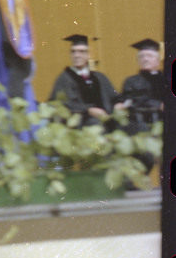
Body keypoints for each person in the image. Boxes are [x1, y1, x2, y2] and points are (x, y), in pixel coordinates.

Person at [113, 39, 163, 174]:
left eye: (150, 56)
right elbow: (128, 100)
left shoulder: (166, 79)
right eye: (142, 56)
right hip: (139, 122)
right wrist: (119, 104)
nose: (145, 59)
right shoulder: (132, 81)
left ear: (158, 61)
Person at [49, 34, 117, 125]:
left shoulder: (99, 77)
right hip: (81, 124)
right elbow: (63, 105)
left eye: (81, 51)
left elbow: (114, 96)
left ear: (89, 55)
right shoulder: (64, 79)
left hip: (105, 120)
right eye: (73, 52)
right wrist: (88, 110)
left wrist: (118, 104)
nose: (76, 55)